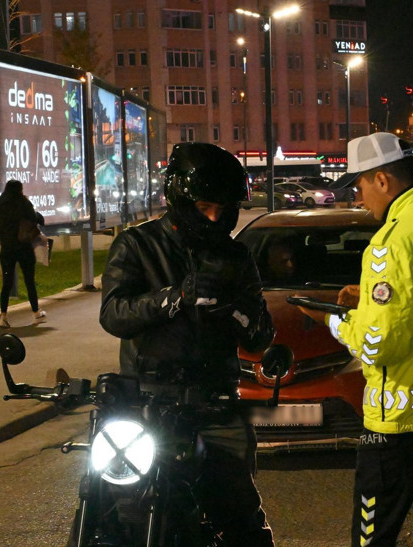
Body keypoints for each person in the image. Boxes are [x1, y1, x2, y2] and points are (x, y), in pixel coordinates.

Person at [296, 132, 413, 546]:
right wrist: (368, 297)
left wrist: (331, 320)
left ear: (382, 180)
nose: (360, 198)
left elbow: (378, 345)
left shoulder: (391, 242)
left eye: (360, 186)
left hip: (399, 424)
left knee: (372, 538)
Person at [99, 142, 276, 545]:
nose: (215, 217)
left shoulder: (235, 256)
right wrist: (174, 299)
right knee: (115, 509)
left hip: (214, 404)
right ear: (180, 198)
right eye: (204, 207)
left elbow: (261, 334)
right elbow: (114, 314)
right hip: (147, 404)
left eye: (224, 208)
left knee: (241, 516)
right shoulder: (136, 245)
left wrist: (231, 309)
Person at [0, 179, 46, 328]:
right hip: (24, 248)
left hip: (7, 249)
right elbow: (35, 219)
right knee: (29, 281)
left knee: (7, 283)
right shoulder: (24, 203)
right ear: (20, 190)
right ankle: (36, 313)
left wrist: (3, 232)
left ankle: (3, 317)